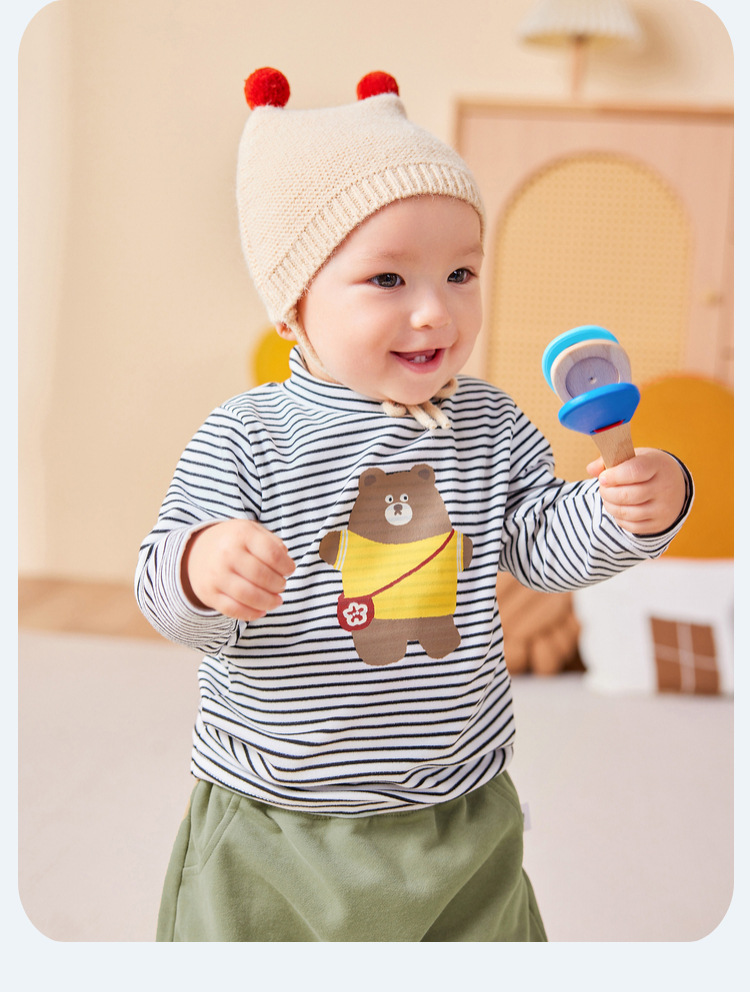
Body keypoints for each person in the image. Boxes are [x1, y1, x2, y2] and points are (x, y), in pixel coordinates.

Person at [135, 68, 692, 942]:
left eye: (461, 272)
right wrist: (199, 567)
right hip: (276, 816)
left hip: (456, 807)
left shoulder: (490, 423)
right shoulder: (247, 436)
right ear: (292, 307)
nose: (436, 312)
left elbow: (542, 546)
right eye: (389, 280)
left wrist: (630, 508)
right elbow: (162, 588)